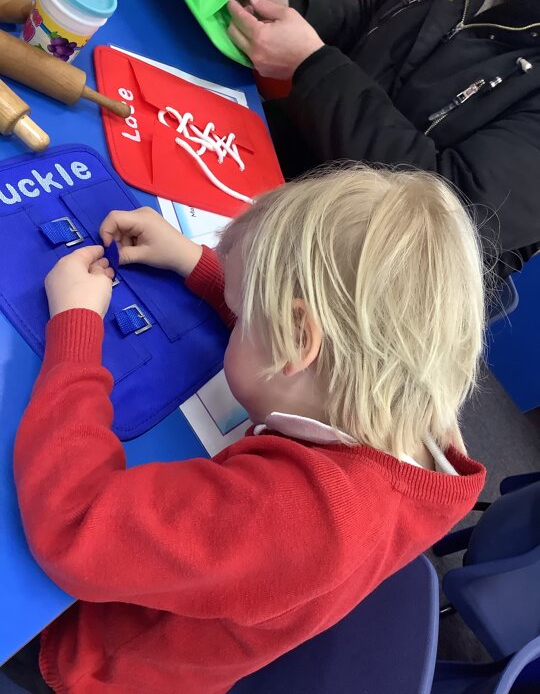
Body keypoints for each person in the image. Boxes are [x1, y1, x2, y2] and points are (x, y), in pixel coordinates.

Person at [7, 168, 486, 694]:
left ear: (296, 339)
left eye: (241, 309)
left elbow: (72, 522)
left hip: (88, 654)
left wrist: (75, 328)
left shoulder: (293, 516)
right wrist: (193, 262)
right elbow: (303, 344)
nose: (234, 313)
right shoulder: (416, 419)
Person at [227, 0, 540, 276]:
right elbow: (375, 16)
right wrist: (285, 7)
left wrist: (311, 63)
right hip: (274, 151)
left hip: (337, 262)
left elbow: (441, 208)